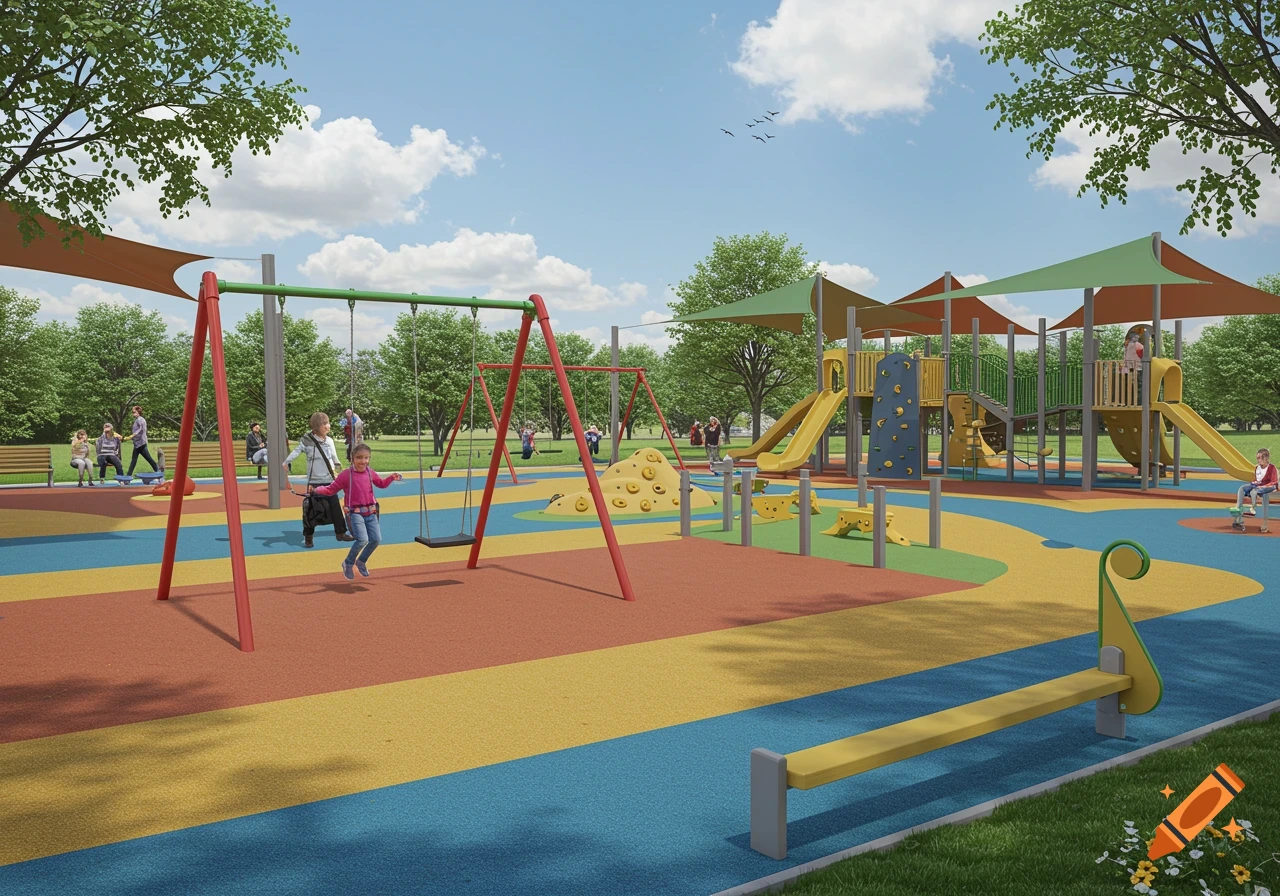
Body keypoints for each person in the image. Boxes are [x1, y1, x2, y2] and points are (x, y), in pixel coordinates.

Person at [312, 443, 402, 579]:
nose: (363, 461)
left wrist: (391, 478)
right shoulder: (346, 475)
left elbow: (381, 484)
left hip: (371, 512)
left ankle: (361, 561)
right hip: (355, 513)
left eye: (366, 458)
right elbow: (331, 489)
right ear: (352, 458)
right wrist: (316, 490)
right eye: (359, 458)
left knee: (376, 539)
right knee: (362, 540)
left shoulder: (370, 472)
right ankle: (348, 563)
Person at [282, 412, 354, 549]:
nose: (328, 426)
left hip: (329, 480)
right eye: (324, 424)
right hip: (314, 481)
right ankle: (308, 536)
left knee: (335, 507)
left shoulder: (330, 441)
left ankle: (341, 533)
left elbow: (334, 458)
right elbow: (296, 451)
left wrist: (340, 472)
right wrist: (286, 462)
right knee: (311, 509)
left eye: (328, 423)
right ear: (316, 426)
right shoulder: (306, 440)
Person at [1236, 448, 1277, 517]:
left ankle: (1253, 509)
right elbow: (1257, 479)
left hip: (1269, 486)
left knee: (1254, 491)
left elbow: (1274, 482)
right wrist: (1254, 482)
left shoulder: (1271, 468)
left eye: (1259, 458)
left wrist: (1262, 486)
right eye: (1257, 458)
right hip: (1258, 485)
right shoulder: (1257, 467)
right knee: (1242, 488)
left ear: (1265, 458)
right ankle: (1238, 508)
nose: (1258, 460)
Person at [125, 405, 159, 476]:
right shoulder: (137, 420)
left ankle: (158, 471)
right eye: (132, 412)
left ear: (138, 412)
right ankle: (128, 475)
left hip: (141, 444)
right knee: (134, 460)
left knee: (148, 459)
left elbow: (141, 429)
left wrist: (132, 435)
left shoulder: (141, 419)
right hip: (137, 444)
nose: (133, 413)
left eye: (134, 412)